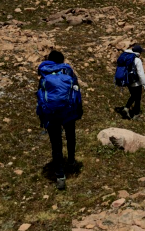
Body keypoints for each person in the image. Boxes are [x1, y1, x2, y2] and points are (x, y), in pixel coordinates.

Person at [36, 50, 82, 190]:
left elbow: (40, 95)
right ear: (62, 60)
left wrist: (42, 115)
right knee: (70, 135)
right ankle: (71, 162)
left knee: (56, 144)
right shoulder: (67, 71)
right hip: (68, 110)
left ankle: (60, 176)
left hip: (51, 112)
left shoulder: (44, 72)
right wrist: (78, 110)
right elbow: (76, 90)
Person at [121, 44, 145, 120]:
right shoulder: (137, 60)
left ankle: (126, 108)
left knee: (133, 95)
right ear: (139, 52)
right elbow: (141, 74)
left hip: (128, 81)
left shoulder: (126, 57)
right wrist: (144, 85)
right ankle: (136, 115)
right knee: (137, 98)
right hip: (136, 83)